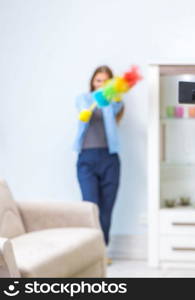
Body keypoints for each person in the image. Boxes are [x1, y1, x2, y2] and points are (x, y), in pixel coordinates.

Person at [74, 65, 125, 264]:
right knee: (90, 206)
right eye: (98, 80)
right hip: (86, 159)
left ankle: (102, 251)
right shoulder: (83, 99)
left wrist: (111, 96)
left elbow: (116, 106)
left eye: (106, 81)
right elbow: (82, 111)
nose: (101, 84)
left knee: (106, 209)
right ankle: (90, 253)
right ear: (92, 82)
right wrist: (87, 110)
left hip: (109, 159)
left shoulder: (114, 103)